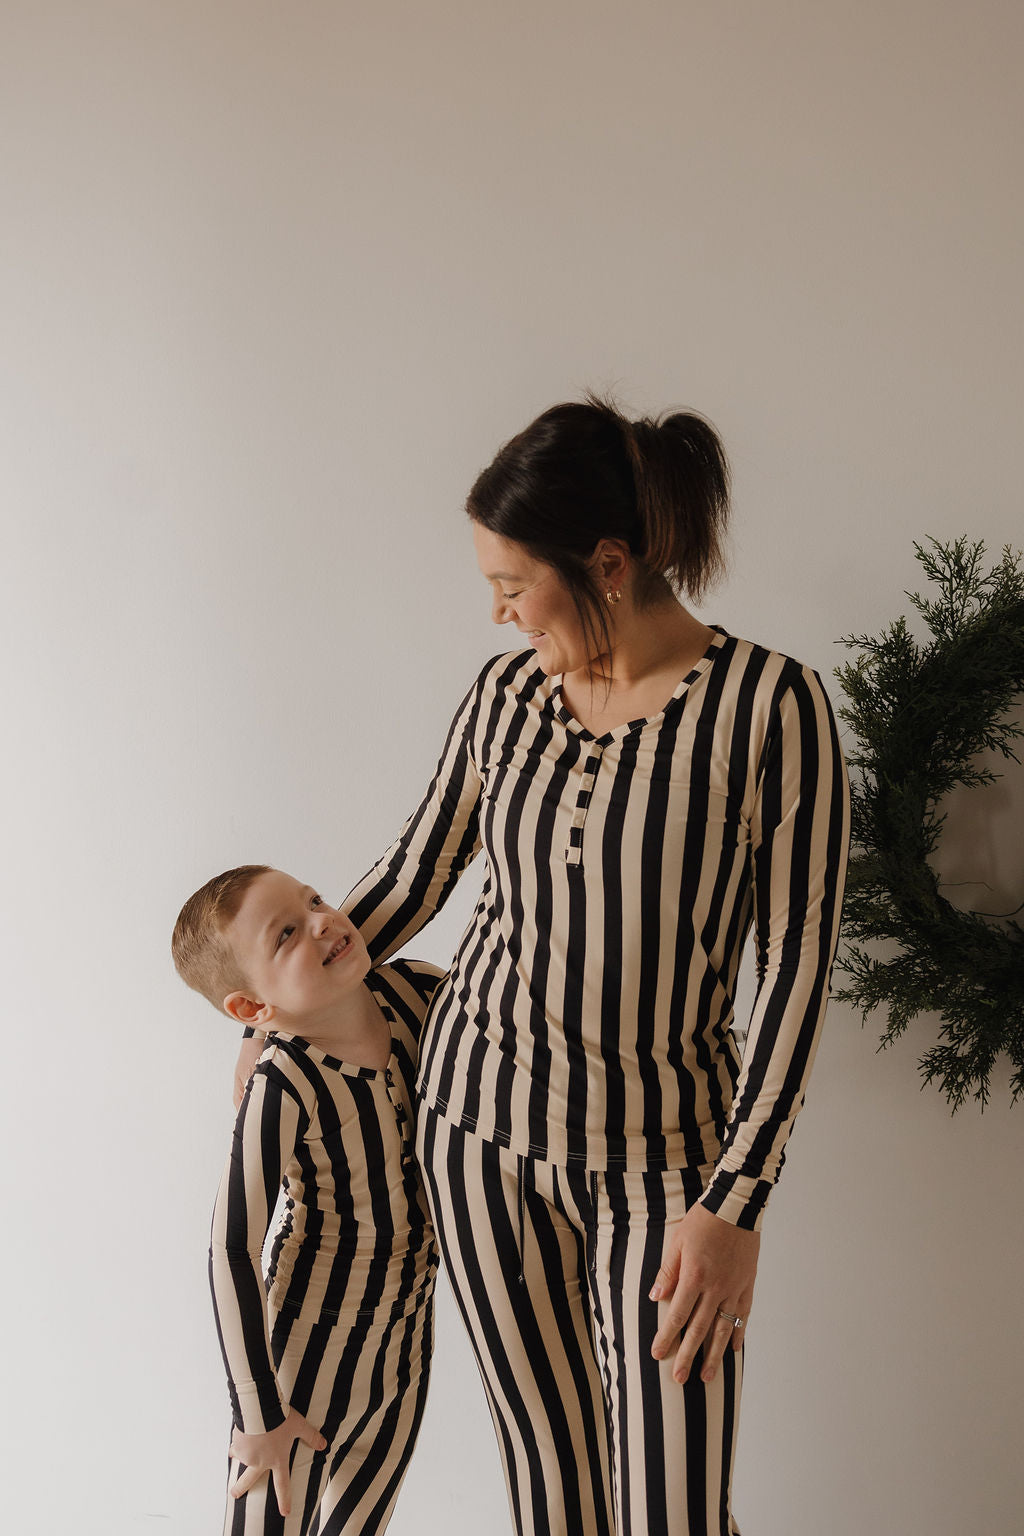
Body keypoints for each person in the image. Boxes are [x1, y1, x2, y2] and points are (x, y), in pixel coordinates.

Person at [236, 396, 851, 1536]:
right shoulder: (506, 697)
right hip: (476, 1142)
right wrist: (271, 1019)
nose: (498, 611)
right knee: (552, 1497)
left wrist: (737, 1201)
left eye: (513, 585)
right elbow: (413, 873)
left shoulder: (773, 710)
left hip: (669, 1177)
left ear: (606, 564)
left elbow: (798, 970)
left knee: (672, 1509)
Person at [174, 865, 442, 1536]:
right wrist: (257, 1411)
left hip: (404, 1344)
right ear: (251, 1010)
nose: (323, 920)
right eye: (287, 933)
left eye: (314, 900)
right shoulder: (284, 1079)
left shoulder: (412, 992)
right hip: (303, 1352)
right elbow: (230, 1244)